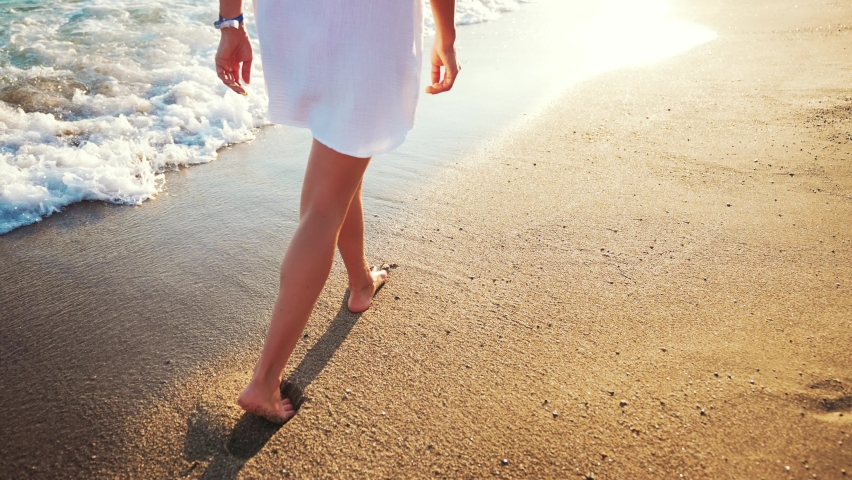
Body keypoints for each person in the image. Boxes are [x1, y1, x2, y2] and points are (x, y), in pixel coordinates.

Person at [214, 0, 460, 423]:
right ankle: (264, 381)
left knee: (341, 161)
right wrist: (447, 37)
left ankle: (360, 283)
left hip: (296, 24)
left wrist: (231, 22)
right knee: (325, 203)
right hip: (366, 28)